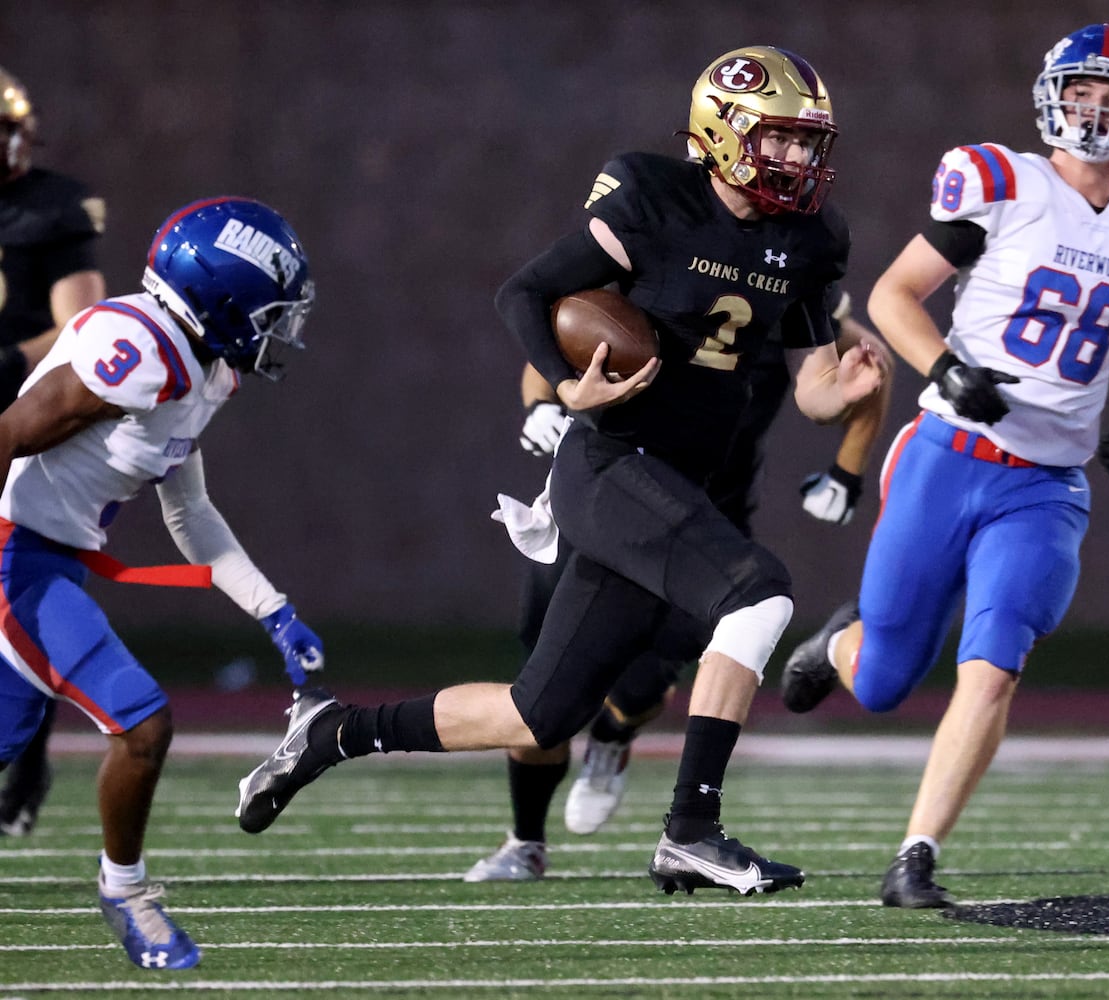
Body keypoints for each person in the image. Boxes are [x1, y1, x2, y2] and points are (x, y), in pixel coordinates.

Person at [237, 44, 883, 897]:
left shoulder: (807, 239)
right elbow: (525, 291)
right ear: (722, 134)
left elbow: (806, 386)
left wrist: (838, 394)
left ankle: (332, 730)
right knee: (758, 594)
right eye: (781, 140)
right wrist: (565, 379)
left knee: (535, 712)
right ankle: (691, 828)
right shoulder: (653, 197)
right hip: (612, 462)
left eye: (808, 144)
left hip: (678, 486)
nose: (799, 161)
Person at [781, 23, 1109, 909]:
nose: (1095, 111)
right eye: (1083, 93)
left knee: (994, 664)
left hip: (1044, 486)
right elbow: (894, 295)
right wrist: (943, 368)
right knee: (886, 681)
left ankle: (916, 855)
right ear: (1054, 97)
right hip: (946, 455)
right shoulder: (1002, 182)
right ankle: (840, 642)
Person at [467, 290, 891, 882]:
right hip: (607, 504)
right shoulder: (664, 270)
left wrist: (848, 468)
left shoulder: (784, 281)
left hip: (702, 529)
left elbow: (870, 361)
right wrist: (545, 401)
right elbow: (558, 339)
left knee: (641, 686)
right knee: (541, 693)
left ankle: (616, 734)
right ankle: (526, 839)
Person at [0, 196, 322, 969]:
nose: (282, 330)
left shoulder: (202, 368)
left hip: (52, 560)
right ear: (222, 296)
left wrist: (274, 612)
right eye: (272, 311)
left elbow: (192, 512)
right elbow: (8, 432)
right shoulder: (138, 346)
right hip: (17, 554)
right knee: (143, 724)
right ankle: (126, 891)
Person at [0, 64, 109, 837]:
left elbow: (86, 330)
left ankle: (30, 751)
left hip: (21, 423)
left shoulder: (49, 206)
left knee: (22, 601)